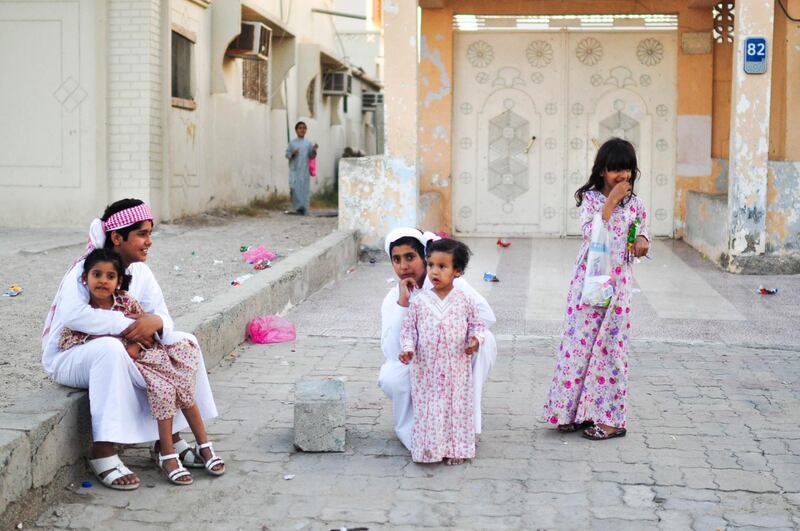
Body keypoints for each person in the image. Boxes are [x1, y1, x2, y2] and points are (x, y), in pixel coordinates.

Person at [42, 199, 219, 490]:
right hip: (71, 355)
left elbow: (163, 317)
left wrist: (156, 324)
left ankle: (168, 440)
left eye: (151, 234)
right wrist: (132, 327)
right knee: (111, 350)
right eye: (142, 234)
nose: (149, 242)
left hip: (126, 350)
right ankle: (103, 449)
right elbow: (74, 315)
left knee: (186, 341)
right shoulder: (86, 270)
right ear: (116, 237)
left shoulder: (142, 273)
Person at [541, 138, 650, 440]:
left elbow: (641, 234)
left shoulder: (637, 205)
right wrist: (611, 200)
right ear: (602, 171)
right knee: (580, 345)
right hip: (590, 279)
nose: (622, 177)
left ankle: (612, 420)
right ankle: (574, 412)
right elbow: (591, 232)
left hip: (619, 287)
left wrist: (642, 242)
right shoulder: (590, 199)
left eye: (627, 170)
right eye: (616, 170)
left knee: (611, 349)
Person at [378, 227, 497, 450]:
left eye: (410, 257)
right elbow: (393, 350)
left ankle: (465, 427)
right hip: (418, 364)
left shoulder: (452, 283)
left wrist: (450, 330)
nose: (403, 266)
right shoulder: (393, 297)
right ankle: (415, 433)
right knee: (391, 377)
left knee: (486, 339)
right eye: (396, 259)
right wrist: (404, 304)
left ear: (425, 257)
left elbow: (486, 317)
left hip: (453, 361)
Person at [399, 238, 484, 465]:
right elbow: (408, 331)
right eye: (431, 265)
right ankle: (429, 450)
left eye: (442, 266)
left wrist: (475, 340)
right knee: (430, 410)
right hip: (426, 371)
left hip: (456, 368)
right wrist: (407, 349)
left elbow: (478, 325)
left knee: (455, 409)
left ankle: (457, 449)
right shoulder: (419, 301)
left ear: (457, 271)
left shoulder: (465, 300)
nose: (434, 272)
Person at [285, 121, 318, 215]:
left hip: (304, 170)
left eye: (304, 128)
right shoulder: (292, 143)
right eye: (300, 128)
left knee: (305, 189)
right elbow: (287, 155)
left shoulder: (308, 143)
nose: (302, 130)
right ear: (296, 130)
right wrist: (292, 153)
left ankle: (304, 208)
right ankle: (298, 208)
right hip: (294, 170)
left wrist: (314, 150)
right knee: (295, 189)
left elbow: (311, 156)